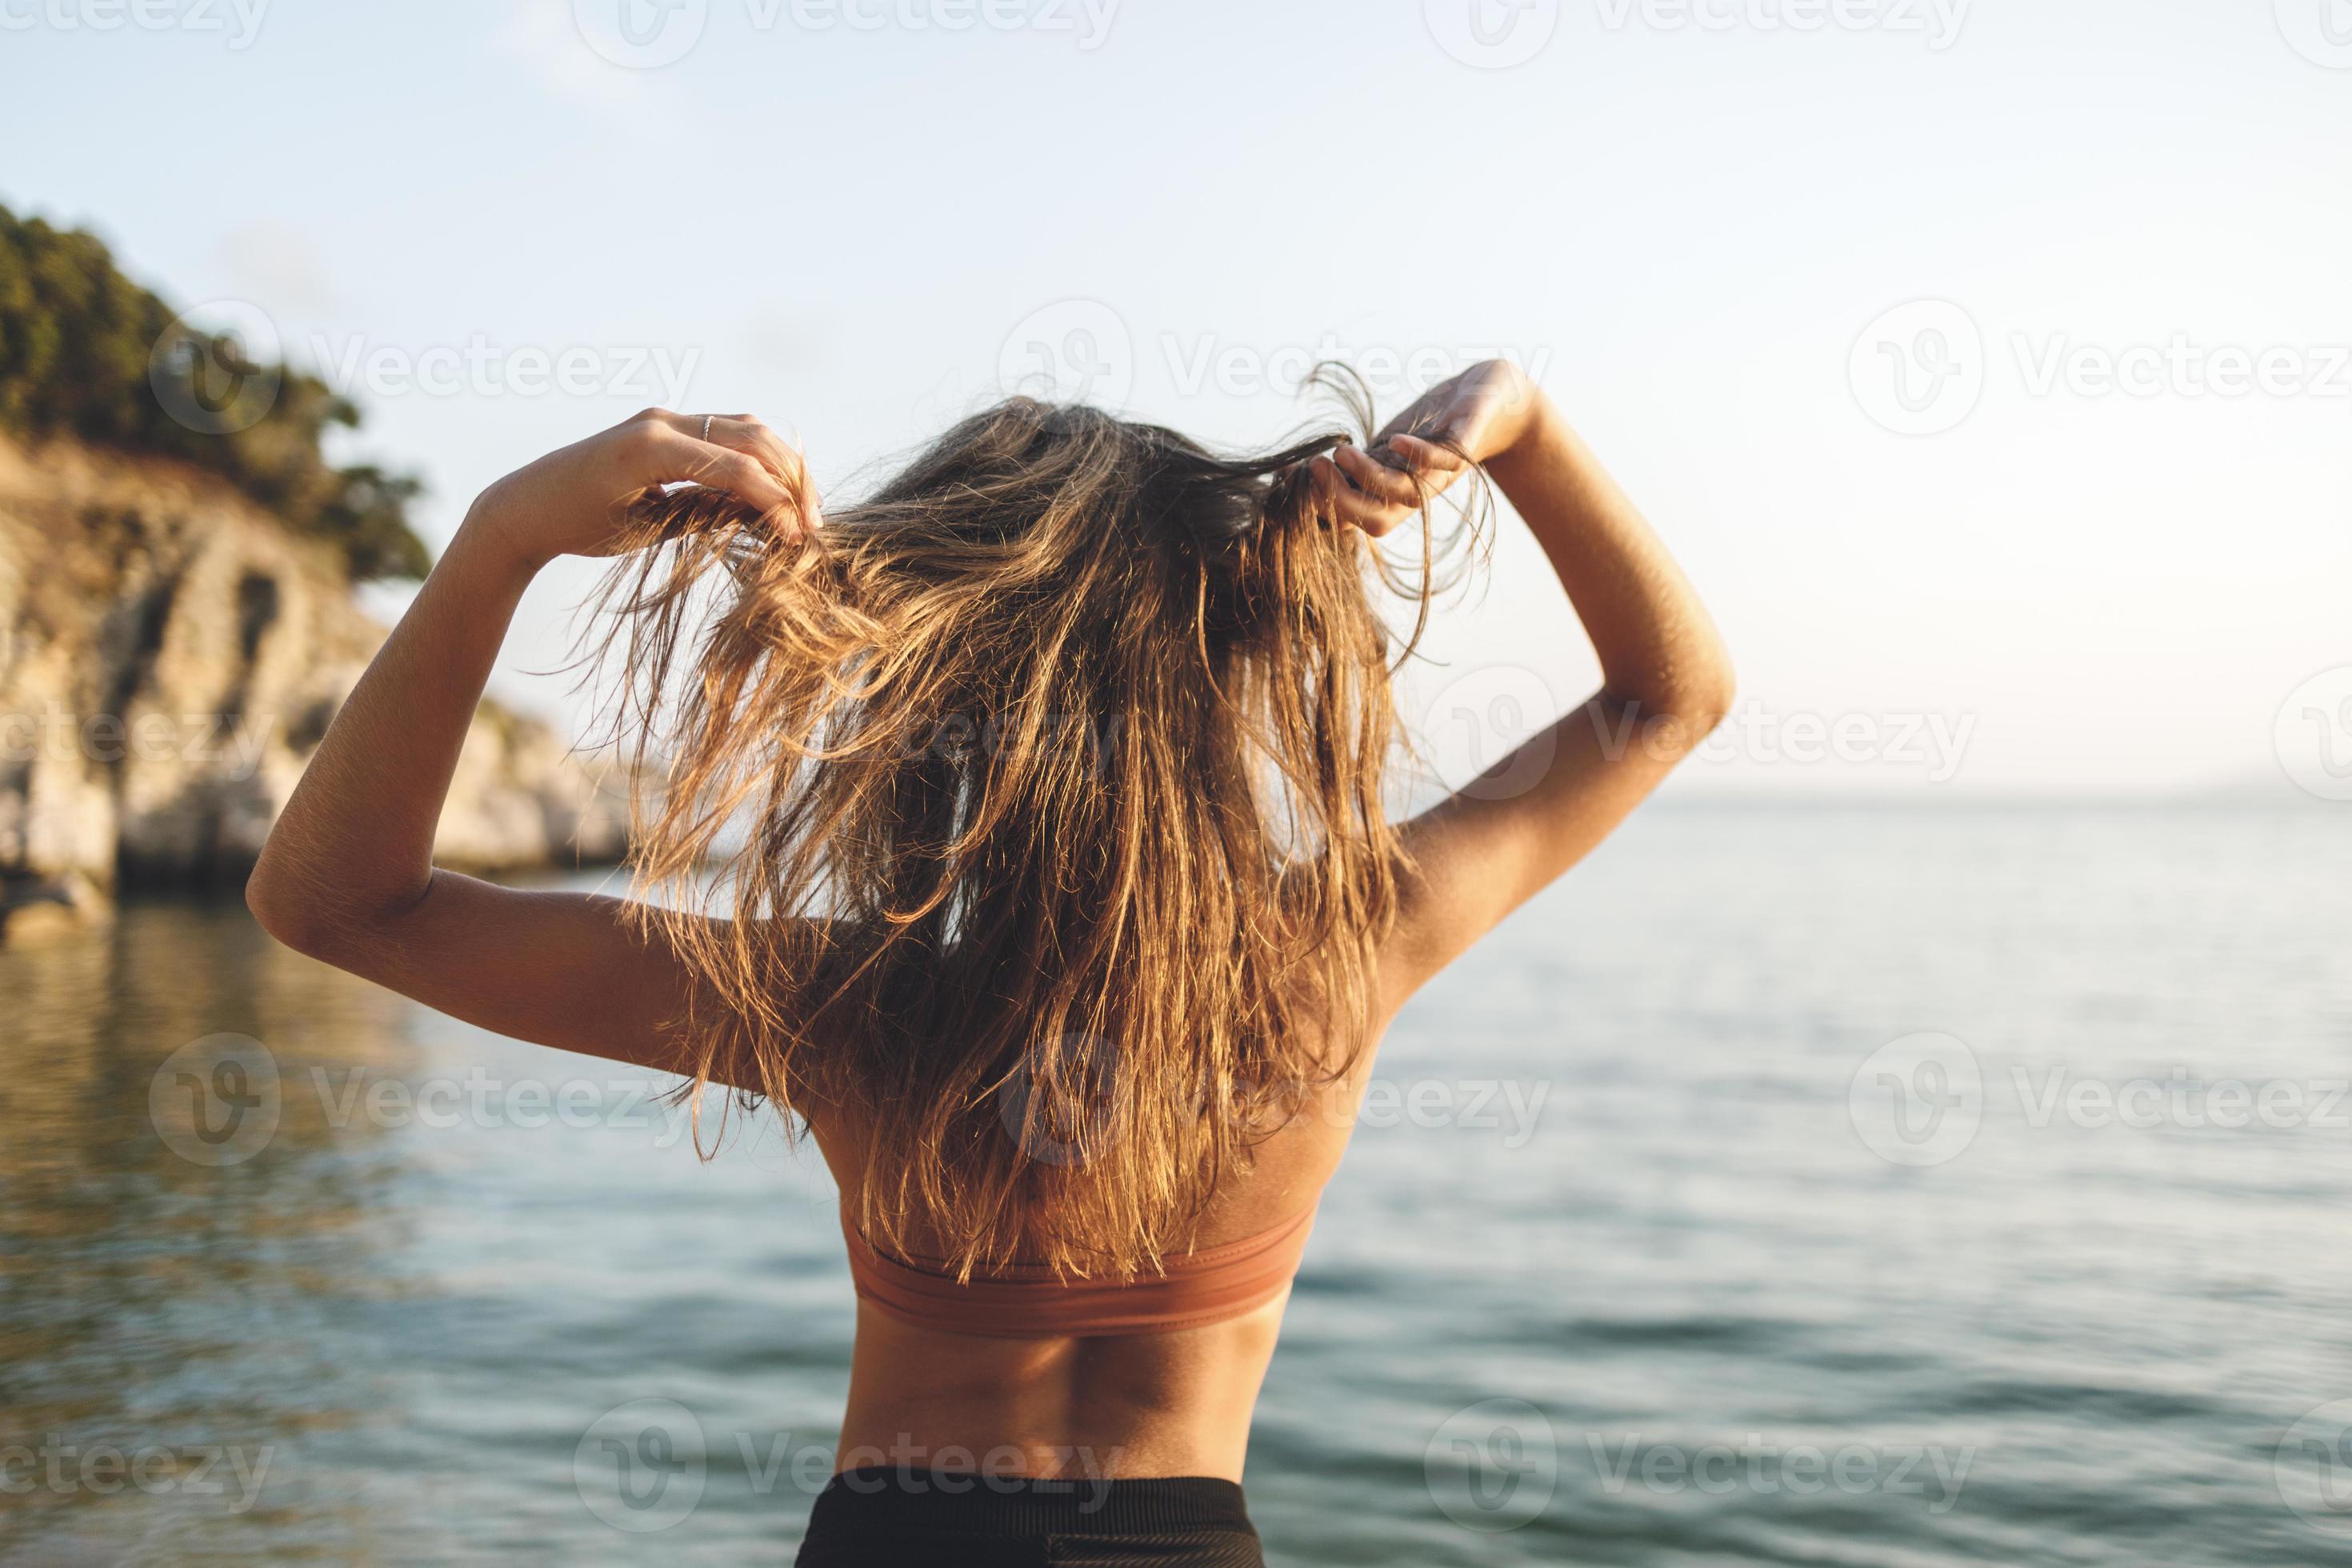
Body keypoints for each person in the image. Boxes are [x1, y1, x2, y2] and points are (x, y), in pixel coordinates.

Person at [246, 358, 1733, 1565]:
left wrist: (504, 532)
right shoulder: (1333, 958)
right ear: (1224, 655)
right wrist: (1518, 421)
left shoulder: (844, 1008)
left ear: (934, 678)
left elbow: (335, 903)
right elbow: (1669, 701)